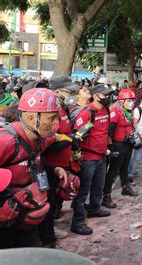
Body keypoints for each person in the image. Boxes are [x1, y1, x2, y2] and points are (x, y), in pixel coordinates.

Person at [0, 88, 70, 248]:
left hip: (25, 217)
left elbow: (33, 160)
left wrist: (53, 169)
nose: (57, 124)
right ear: (32, 118)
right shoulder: (5, 141)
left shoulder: (40, 138)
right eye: (52, 118)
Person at [39, 76, 81, 247]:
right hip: (49, 165)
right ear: (56, 92)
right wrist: (68, 140)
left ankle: (51, 231)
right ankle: (47, 239)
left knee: (57, 200)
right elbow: (45, 145)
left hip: (63, 163)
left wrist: (71, 144)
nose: (71, 94)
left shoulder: (64, 109)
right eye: (68, 91)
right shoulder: (49, 113)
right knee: (47, 204)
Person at [71, 84, 112, 236]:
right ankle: (78, 222)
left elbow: (105, 131)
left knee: (98, 186)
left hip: (101, 156)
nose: (108, 98)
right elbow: (77, 136)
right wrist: (77, 154)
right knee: (83, 191)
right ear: (96, 96)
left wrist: (109, 147)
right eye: (105, 95)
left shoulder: (105, 110)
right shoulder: (87, 113)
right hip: (88, 158)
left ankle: (94, 209)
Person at [102, 89, 138, 209]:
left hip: (127, 144)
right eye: (129, 100)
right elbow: (110, 130)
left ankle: (125, 187)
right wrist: (111, 146)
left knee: (124, 168)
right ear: (121, 101)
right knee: (113, 171)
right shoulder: (115, 111)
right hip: (118, 144)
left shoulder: (129, 111)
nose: (132, 102)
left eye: (133, 100)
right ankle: (106, 196)